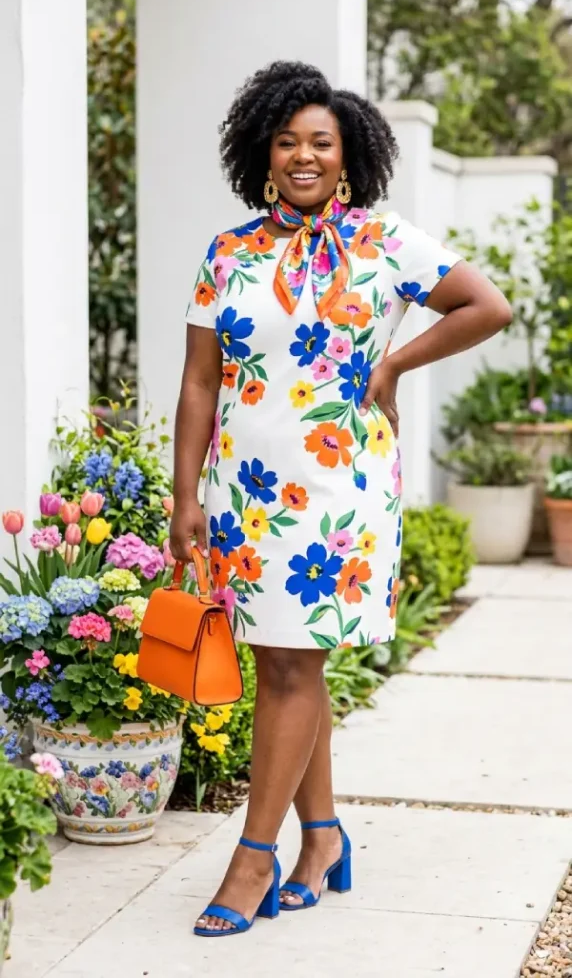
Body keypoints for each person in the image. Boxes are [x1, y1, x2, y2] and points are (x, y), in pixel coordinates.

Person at [170, 60, 512, 937]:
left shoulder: (383, 242)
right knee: (286, 660)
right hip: (246, 492)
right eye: (286, 142)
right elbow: (200, 385)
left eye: (320, 141)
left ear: (349, 153)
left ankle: (254, 858)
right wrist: (184, 498)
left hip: (339, 493)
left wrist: (394, 362)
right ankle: (322, 838)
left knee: (293, 664)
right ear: (262, 153)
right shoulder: (229, 252)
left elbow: (486, 305)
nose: (303, 156)